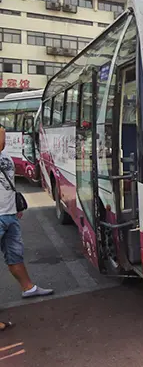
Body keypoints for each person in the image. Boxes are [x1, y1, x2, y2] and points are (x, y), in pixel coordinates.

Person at [0, 126, 54, 299]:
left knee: (15, 255)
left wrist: (15, 207)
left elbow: (9, 183)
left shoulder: (5, 156)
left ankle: (28, 288)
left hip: (9, 214)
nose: (4, 138)